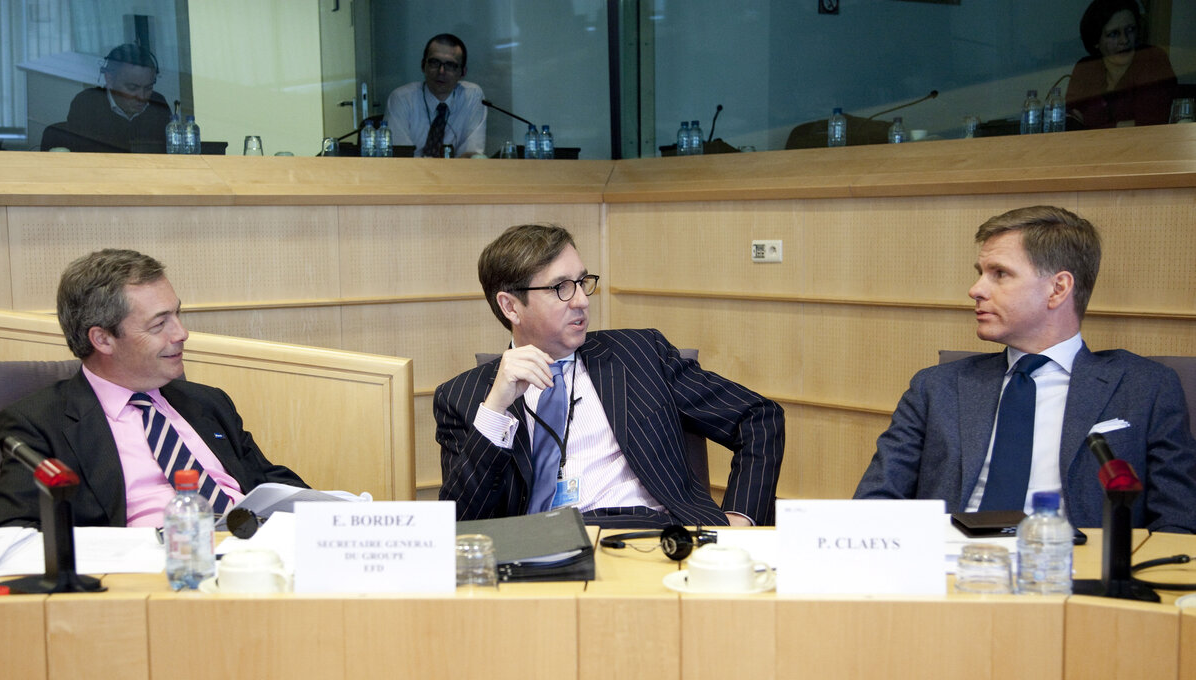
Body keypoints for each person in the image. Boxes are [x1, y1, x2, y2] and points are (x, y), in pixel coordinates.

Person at [854, 206, 1196, 532]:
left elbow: (1178, 522)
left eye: (999, 274)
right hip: (952, 571)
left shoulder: (1144, 387)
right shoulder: (936, 386)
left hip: (1075, 571)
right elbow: (875, 505)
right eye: (980, 274)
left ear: (1057, 288)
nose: (975, 290)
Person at [434, 224, 785, 528]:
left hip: (654, 534)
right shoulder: (464, 398)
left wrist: (741, 519)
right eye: (561, 288)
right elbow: (460, 525)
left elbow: (757, 416)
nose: (582, 301)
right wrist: (496, 409)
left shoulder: (639, 354)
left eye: (582, 282)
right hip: (542, 552)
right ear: (510, 306)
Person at [0, 249, 307, 529]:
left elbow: (267, 481)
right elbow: (13, 529)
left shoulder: (207, 402)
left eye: (177, 314)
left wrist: (336, 512)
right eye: (159, 324)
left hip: (254, 553)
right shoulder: (39, 423)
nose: (181, 333)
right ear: (103, 339)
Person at [1065, 0, 1177, 129]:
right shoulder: (1086, 67)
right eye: (1114, 34)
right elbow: (1071, 120)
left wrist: (1093, 126)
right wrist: (1122, 125)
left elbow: (1152, 123)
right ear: (1096, 40)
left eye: (1130, 30)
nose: (1124, 40)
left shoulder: (1152, 59)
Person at [54, 43, 172, 153]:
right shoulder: (86, 104)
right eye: (132, 88)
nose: (141, 96)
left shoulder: (158, 105)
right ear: (109, 79)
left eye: (148, 88)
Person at [385, 33, 486, 157]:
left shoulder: (472, 96)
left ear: (463, 72)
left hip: (457, 174)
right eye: (434, 62)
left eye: (450, 65)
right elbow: (399, 155)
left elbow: (472, 154)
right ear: (423, 65)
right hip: (411, 174)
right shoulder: (402, 98)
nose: (441, 71)